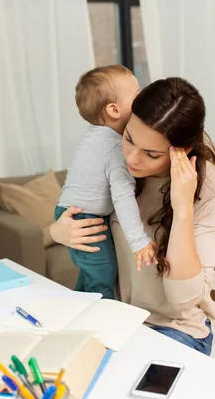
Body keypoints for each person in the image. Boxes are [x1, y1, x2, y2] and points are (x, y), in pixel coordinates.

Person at [50, 77, 215, 355]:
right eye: (129, 139)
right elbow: (71, 215)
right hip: (116, 319)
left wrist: (183, 207)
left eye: (150, 153)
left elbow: (183, 301)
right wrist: (59, 231)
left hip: (176, 329)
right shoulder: (114, 161)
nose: (132, 159)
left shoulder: (214, 190)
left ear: (182, 150)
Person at [55, 65, 156, 300]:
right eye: (137, 93)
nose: (142, 98)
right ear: (114, 109)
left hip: (76, 213)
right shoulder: (112, 145)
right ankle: (103, 324)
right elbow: (123, 196)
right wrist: (139, 242)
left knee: (92, 274)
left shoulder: (97, 136)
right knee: (103, 276)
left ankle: (75, 308)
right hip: (82, 218)